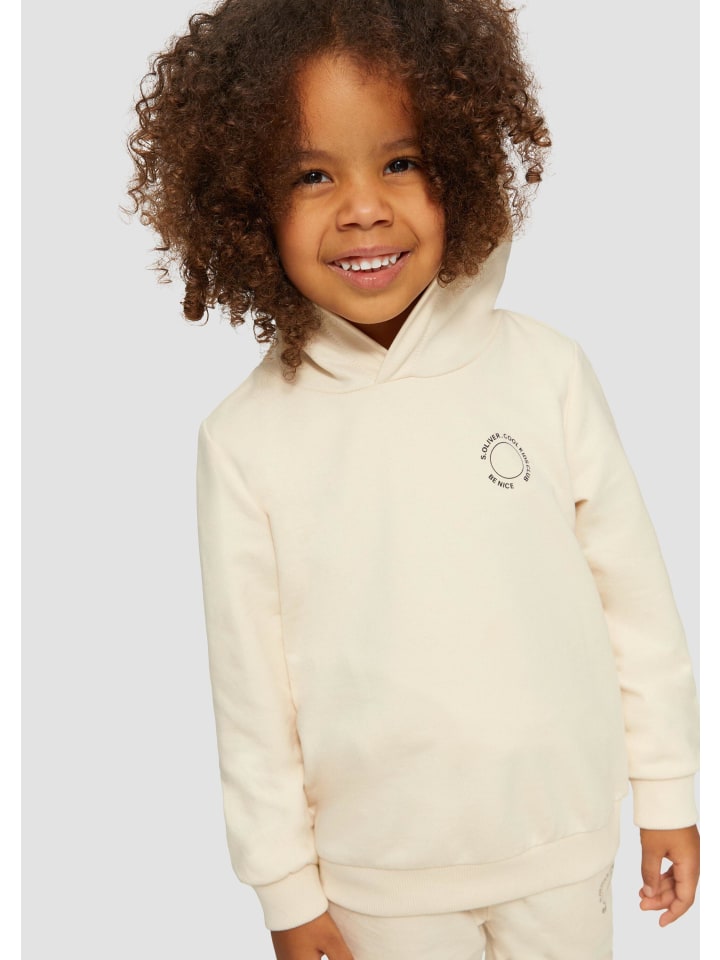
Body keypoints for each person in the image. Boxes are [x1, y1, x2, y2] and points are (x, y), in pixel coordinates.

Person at [126, 1, 700, 957]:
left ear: (460, 170)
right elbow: (251, 697)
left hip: (563, 846)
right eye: (313, 175)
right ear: (246, 208)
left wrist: (668, 790)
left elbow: (636, 603)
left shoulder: (548, 373)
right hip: (377, 886)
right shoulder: (245, 440)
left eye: (400, 162)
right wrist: (286, 895)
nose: (363, 207)